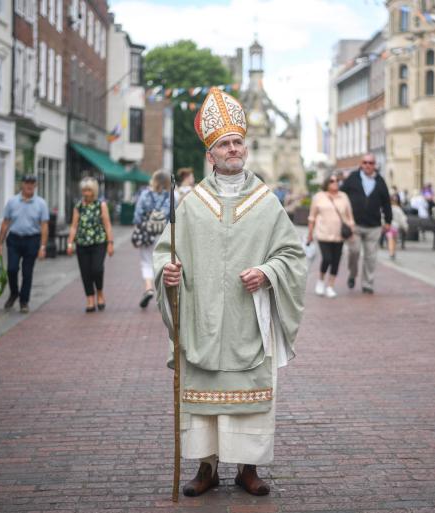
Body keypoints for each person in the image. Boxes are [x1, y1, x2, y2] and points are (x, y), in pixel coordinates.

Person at [154, 87, 306, 498]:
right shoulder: (190, 203)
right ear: (211, 154)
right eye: (225, 143)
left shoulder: (267, 202)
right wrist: (168, 273)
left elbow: (293, 254)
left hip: (246, 322)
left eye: (238, 142)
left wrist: (267, 271)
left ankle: (247, 469)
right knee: (204, 403)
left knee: (248, 402)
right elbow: (164, 252)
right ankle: (206, 468)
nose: (234, 148)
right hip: (202, 321)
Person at [340, 153, 392, 294]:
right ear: (361, 164)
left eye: (371, 163)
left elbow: (387, 202)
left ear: (374, 165)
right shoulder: (352, 179)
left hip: (374, 226)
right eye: (365, 162)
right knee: (354, 252)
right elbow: (341, 197)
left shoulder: (380, 181)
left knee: (371, 256)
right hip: (354, 225)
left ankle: (367, 283)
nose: (368, 165)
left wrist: (388, 221)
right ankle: (352, 274)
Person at [0, 175, 49, 313]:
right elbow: (5, 222)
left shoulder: (41, 203)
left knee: (27, 272)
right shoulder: (12, 202)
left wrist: (43, 246)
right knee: (12, 269)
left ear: (35, 185)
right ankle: (14, 293)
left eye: (32, 183)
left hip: (32, 240)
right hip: (14, 239)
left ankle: (24, 301)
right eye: (27, 182)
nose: (29, 185)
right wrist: (0, 244)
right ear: (22, 184)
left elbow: (44, 226)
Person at [66, 177, 114, 312]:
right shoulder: (78, 206)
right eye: (84, 190)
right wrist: (70, 243)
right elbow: (74, 226)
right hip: (82, 244)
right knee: (85, 272)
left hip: (99, 242)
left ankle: (99, 292)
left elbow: (108, 225)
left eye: (89, 190)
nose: (86, 193)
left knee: (97, 269)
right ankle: (90, 299)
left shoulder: (101, 205)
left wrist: (110, 243)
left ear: (94, 191)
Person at [307, 173, 355, 298]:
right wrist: (310, 234)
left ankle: (330, 286)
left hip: (340, 235)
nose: (335, 183)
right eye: (332, 181)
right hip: (323, 234)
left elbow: (349, 216)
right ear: (327, 183)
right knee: (327, 258)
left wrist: (352, 230)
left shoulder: (343, 196)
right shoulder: (319, 197)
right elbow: (312, 217)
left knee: (336, 261)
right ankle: (321, 281)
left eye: (337, 181)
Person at [135, 170, 172, 308]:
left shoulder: (145, 194)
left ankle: (148, 288)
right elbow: (174, 216)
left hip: (148, 234)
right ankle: (162, 294)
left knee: (146, 262)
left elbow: (138, 215)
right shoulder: (170, 196)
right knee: (163, 262)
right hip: (164, 234)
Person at [387, 194, 408, 260]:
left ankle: (391, 252)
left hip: (389, 227)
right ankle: (393, 252)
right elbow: (402, 219)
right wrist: (405, 227)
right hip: (395, 227)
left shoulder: (388, 208)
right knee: (394, 240)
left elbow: (383, 217)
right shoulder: (398, 209)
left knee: (390, 240)